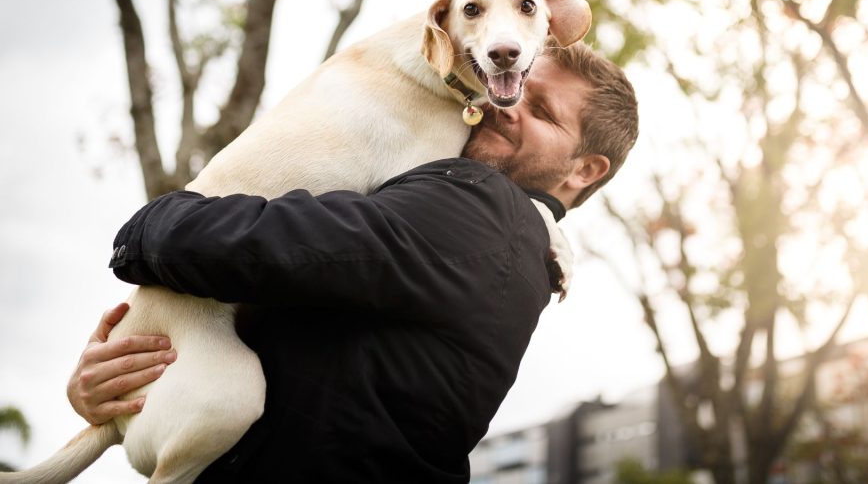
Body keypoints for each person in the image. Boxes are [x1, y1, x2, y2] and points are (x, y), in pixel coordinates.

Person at [66, 41, 639, 482]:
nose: (506, 104)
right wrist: (120, 396)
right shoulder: (521, 255)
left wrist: (146, 227)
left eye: (540, 110)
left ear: (585, 170)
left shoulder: (483, 208)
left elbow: (253, 244)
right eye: (511, 86)